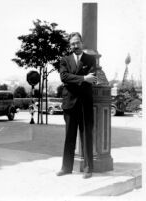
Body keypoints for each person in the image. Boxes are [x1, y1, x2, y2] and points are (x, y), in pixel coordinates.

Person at [57, 32, 97, 179]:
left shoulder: (90, 59)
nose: (75, 46)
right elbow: (64, 77)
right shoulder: (64, 60)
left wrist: (80, 79)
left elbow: (92, 77)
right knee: (69, 136)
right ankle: (66, 168)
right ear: (70, 45)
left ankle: (88, 169)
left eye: (77, 42)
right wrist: (83, 78)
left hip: (85, 102)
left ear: (82, 42)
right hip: (70, 103)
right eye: (72, 43)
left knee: (86, 136)